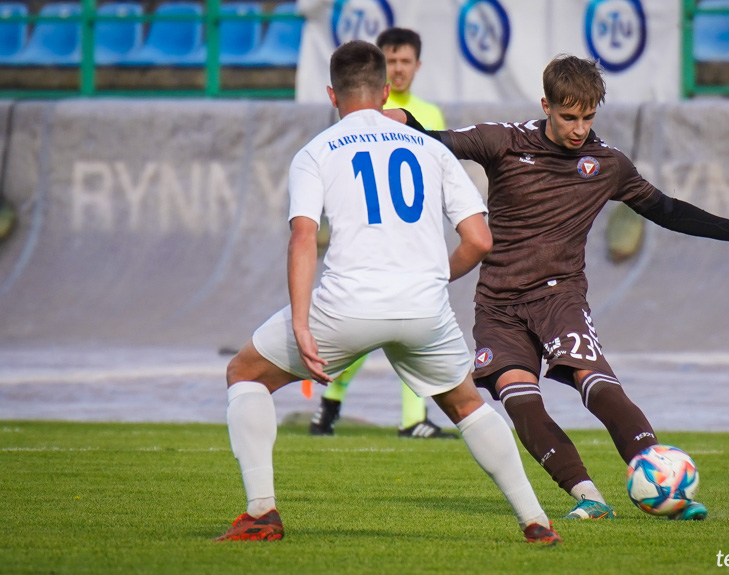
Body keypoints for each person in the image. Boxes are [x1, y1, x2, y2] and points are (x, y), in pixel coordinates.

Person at [392, 54, 729, 521]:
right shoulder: (504, 141)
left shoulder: (608, 164)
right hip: (497, 303)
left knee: (595, 382)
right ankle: (589, 498)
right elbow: (435, 143)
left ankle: (662, 479)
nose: (579, 128)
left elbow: (668, 210)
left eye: (589, 116)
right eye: (569, 116)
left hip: (560, 296)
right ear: (546, 105)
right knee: (520, 400)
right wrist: (397, 118)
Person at [216, 40, 561, 544]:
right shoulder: (430, 147)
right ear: (385, 92)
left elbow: (304, 237)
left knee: (244, 373)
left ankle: (261, 514)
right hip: (423, 307)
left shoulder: (316, 152)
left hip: (347, 304)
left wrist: (299, 321)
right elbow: (480, 240)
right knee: (466, 405)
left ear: (332, 94)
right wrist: (432, 278)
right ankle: (536, 522)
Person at [310, 28, 451, 439]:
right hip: (370, 238)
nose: (400, 68)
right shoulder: (357, 115)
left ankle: (412, 419)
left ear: (417, 66)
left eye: (406, 61)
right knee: (369, 331)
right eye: (392, 61)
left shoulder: (430, 113)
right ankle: (331, 401)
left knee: (408, 331)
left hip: (412, 238)